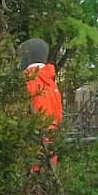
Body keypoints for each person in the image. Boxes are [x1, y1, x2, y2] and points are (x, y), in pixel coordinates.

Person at [18, 38, 62, 172]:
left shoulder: (25, 82)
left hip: (29, 150)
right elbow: (59, 116)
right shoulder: (52, 84)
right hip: (51, 146)